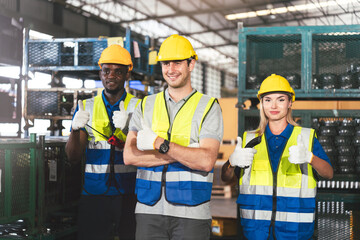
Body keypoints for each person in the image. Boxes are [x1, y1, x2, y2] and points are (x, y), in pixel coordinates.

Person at [123, 34, 224, 239]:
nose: (170, 69)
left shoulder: (209, 107)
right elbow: (130, 156)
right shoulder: (145, 105)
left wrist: (160, 144)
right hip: (148, 210)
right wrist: (187, 153)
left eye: (177, 62)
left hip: (192, 212)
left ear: (191, 64)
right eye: (166, 63)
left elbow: (205, 161)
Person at [221, 74, 333, 240]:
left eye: (280, 99)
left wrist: (310, 157)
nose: (273, 105)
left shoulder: (305, 138)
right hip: (256, 232)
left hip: (295, 233)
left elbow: (329, 173)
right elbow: (226, 178)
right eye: (267, 100)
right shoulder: (250, 140)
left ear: (289, 103)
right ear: (261, 104)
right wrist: (232, 162)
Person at [65, 44, 140, 240]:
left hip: (130, 192)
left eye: (118, 71)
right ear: (101, 74)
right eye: (106, 71)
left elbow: (148, 150)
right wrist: (74, 129)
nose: (111, 76)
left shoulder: (140, 107)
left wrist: (128, 128)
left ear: (126, 75)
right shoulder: (85, 107)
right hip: (94, 193)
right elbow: (73, 156)